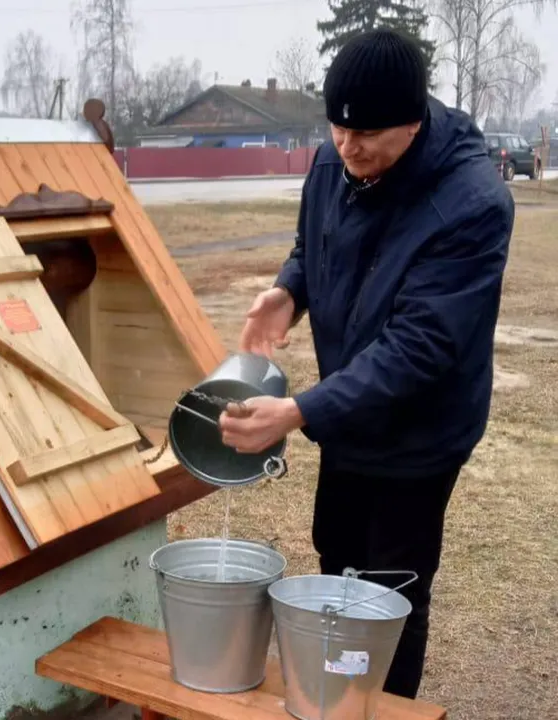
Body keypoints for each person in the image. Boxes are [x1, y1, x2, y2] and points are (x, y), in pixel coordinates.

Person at [218, 28, 515, 699]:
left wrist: (299, 411)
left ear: (413, 123)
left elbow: (422, 348)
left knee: (391, 591)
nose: (347, 148)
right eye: (337, 129)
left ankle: (384, 707)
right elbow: (314, 242)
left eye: (367, 135)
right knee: (337, 556)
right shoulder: (339, 158)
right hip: (351, 418)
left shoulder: (470, 202)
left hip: (420, 431)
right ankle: (339, 696)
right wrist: (288, 292)